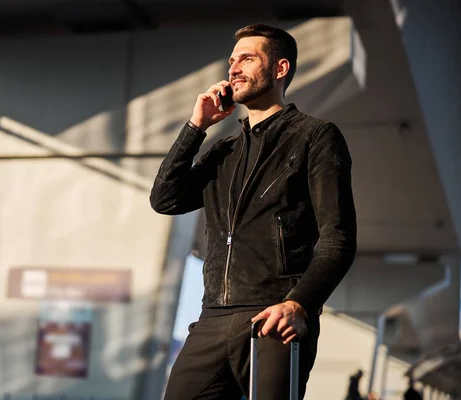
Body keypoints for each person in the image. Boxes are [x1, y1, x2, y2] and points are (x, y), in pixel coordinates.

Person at [150, 23, 357, 399]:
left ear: (280, 69)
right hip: (212, 318)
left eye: (247, 58)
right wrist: (196, 127)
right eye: (232, 61)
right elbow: (165, 199)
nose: (233, 69)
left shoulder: (315, 136)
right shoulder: (222, 152)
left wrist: (299, 303)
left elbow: (338, 237)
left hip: (275, 315)